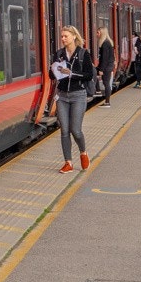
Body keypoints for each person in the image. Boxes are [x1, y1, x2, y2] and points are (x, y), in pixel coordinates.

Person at [51, 26, 95, 172]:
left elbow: (89, 75)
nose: (63, 39)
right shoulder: (59, 54)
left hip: (78, 95)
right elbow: (52, 75)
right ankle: (68, 162)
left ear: (74, 37)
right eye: (62, 36)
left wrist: (71, 73)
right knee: (64, 130)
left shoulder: (83, 54)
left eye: (66, 36)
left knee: (75, 130)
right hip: (62, 95)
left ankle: (83, 152)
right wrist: (53, 70)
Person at [96, 26, 116, 100]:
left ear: (102, 33)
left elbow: (104, 58)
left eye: (98, 32)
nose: (96, 34)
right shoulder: (108, 42)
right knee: (105, 82)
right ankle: (98, 91)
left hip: (106, 67)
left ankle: (107, 102)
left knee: (106, 83)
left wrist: (101, 69)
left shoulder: (105, 44)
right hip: (108, 66)